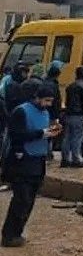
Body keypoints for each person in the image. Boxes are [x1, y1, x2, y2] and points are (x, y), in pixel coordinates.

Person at [1, 85, 61, 247]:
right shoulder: (21, 111)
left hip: (38, 161)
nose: (48, 104)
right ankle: (9, 235)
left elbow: (44, 134)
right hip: (23, 161)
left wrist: (50, 133)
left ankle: (17, 233)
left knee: (29, 201)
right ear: (37, 97)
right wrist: (42, 133)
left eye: (50, 101)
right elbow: (17, 135)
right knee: (21, 199)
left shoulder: (45, 113)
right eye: (46, 100)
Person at [61, 66, 83, 168]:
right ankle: (76, 158)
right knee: (77, 137)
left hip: (68, 114)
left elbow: (67, 101)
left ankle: (65, 159)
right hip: (79, 115)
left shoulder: (70, 86)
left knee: (67, 137)